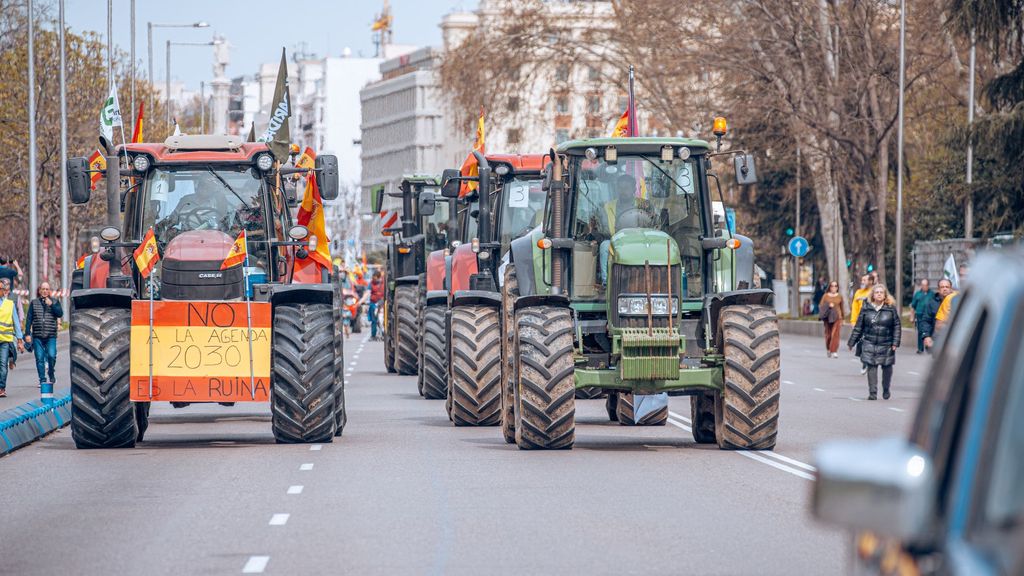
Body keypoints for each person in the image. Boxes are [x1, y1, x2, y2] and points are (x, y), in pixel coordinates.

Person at [848, 283, 901, 400]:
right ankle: (873, 392)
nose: (879, 294)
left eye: (881, 292)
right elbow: (858, 326)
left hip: (886, 343)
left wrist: (895, 342)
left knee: (887, 367)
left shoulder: (891, 309)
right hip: (869, 342)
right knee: (871, 366)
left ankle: (886, 388)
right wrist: (852, 342)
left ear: (885, 295)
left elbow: (897, 326)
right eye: (877, 292)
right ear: (872, 295)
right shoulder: (866, 308)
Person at [24, 282, 63, 388]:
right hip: (37, 336)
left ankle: (51, 372)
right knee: (39, 358)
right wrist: (27, 333)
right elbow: (29, 319)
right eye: (43, 289)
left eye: (47, 289)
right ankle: (42, 379)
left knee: (51, 356)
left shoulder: (54, 301)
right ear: (40, 290)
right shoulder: (34, 302)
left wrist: (52, 305)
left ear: (49, 291)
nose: (45, 291)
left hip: (51, 335)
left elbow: (60, 313)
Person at [0, 278, 26, 397]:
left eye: (1, 289)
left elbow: (16, 323)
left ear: (4, 291)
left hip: (5, 341)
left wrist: (20, 340)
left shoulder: (9, 304)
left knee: (3, 365)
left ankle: (1, 388)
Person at [920, 278, 953, 351]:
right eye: (942, 287)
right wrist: (926, 336)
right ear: (938, 289)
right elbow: (926, 321)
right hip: (937, 341)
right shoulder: (931, 303)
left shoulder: (956, 302)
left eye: (947, 287)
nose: (945, 289)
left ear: (951, 289)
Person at [818, 280, 845, 358]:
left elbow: (842, 308)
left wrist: (843, 319)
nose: (834, 287)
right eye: (832, 286)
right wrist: (828, 305)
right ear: (829, 287)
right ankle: (828, 349)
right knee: (829, 335)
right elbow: (821, 306)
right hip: (828, 318)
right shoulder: (825, 296)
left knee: (835, 334)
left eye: (835, 286)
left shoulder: (840, 296)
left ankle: (834, 351)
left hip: (837, 317)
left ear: (837, 287)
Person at [909, 278, 934, 354]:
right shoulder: (918, 294)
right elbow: (913, 306)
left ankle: (929, 347)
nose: (924, 286)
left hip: (930, 315)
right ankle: (920, 348)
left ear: (928, 285)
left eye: (925, 285)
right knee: (920, 331)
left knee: (930, 331)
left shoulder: (932, 294)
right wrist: (912, 316)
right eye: (923, 285)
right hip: (920, 315)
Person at [368, 270, 384, 340]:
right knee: (374, 320)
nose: (374, 280)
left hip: (382, 304)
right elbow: (367, 292)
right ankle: (373, 335)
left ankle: (383, 334)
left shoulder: (384, 284)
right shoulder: (371, 284)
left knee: (382, 320)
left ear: (379, 277)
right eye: (373, 279)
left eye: (375, 278)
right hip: (373, 304)